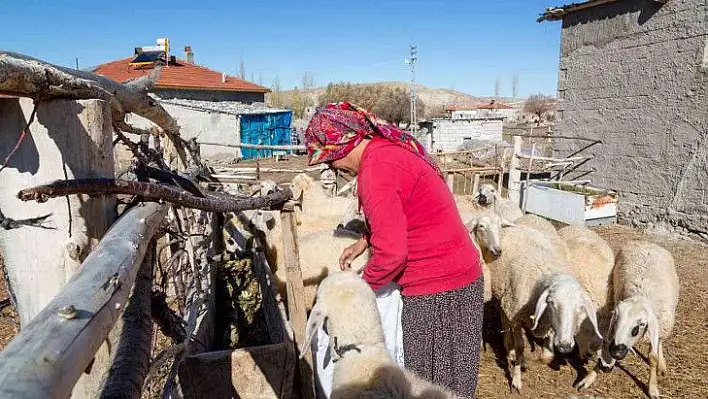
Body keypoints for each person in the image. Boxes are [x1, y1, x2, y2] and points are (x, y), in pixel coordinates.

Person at [304, 102, 484, 398]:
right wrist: (365, 240)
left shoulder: (376, 171)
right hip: (456, 277)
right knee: (451, 378)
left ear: (342, 145)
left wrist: (356, 292)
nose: (332, 168)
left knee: (432, 384)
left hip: (436, 288)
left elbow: (391, 254)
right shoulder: (386, 151)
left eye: (329, 161)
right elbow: (403, 211)